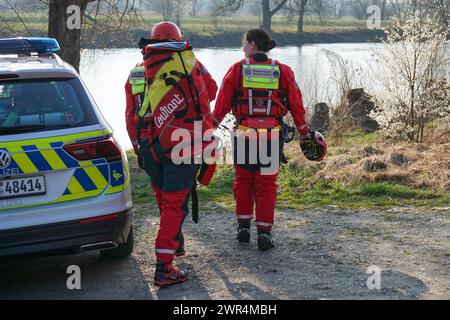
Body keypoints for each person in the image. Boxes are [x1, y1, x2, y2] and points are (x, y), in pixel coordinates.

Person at [125, 21, 218, 286]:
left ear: (151, 43)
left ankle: (174, 243)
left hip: (149, 147)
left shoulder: (136, 73)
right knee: (175, 203)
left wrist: (137, 147)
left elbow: (131, 115)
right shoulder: (191, 64)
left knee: (165, 198)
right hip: (182, 143)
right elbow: (212, 90)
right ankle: (164, 267)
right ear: (178, 40)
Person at [212, 28, 310, 251]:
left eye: (244, 43)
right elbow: (296, 102)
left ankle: (243, 228)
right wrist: (304, 131)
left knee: (244, 181)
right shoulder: (283, 71)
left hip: (245, 133)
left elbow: (222, 103)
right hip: (272, 134)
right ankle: (264, 232)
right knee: (266, 185)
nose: (242, 47)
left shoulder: (237, 70)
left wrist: (210, 127)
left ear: (253, 45)